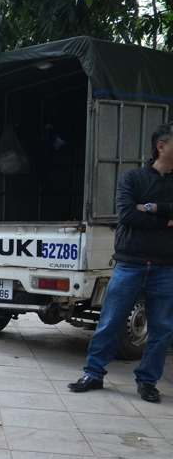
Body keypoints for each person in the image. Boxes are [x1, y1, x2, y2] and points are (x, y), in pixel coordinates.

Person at [67, 121, 173, 403]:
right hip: (130, 263)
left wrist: (151, 209)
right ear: (161, 146)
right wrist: (168, 220)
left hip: (166, 265)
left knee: (162, 328)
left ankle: (148, 382)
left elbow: (139, 214)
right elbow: (127, 215)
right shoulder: (133, 179)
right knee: (110, 321)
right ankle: (93, 373)